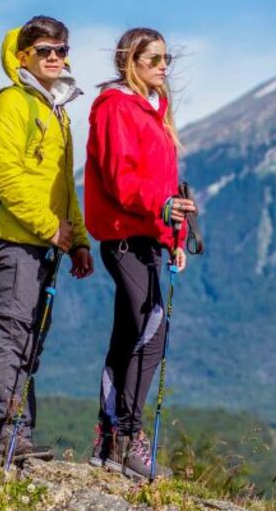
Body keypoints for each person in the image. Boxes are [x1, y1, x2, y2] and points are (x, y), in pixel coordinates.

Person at [0, 15, 94, 466]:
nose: (54, 58)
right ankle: (3, 439)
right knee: (11, 336)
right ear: (23, 55)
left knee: (31, 340)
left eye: (61, 50)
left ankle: (18, 436)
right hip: (17, 241)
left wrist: (79, 239)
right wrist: (51, 229)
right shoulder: (11, 103)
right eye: (44, 50)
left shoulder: (56, 110)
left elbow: (65, 185)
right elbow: (4, 176)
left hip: (49, 244)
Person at [83, 27, 196, 479]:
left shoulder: (156, 111)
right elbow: (118, 178)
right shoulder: (115, 108)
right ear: (131, 61)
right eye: (154, 59)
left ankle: (112, 440)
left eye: (167, 58)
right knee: (149, 330)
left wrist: (176, 237)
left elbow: (167, 188)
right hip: (124, 238)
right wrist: (162, 207)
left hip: (150, 237)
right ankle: (125, 436)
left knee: (134, 332)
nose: (164, 66)